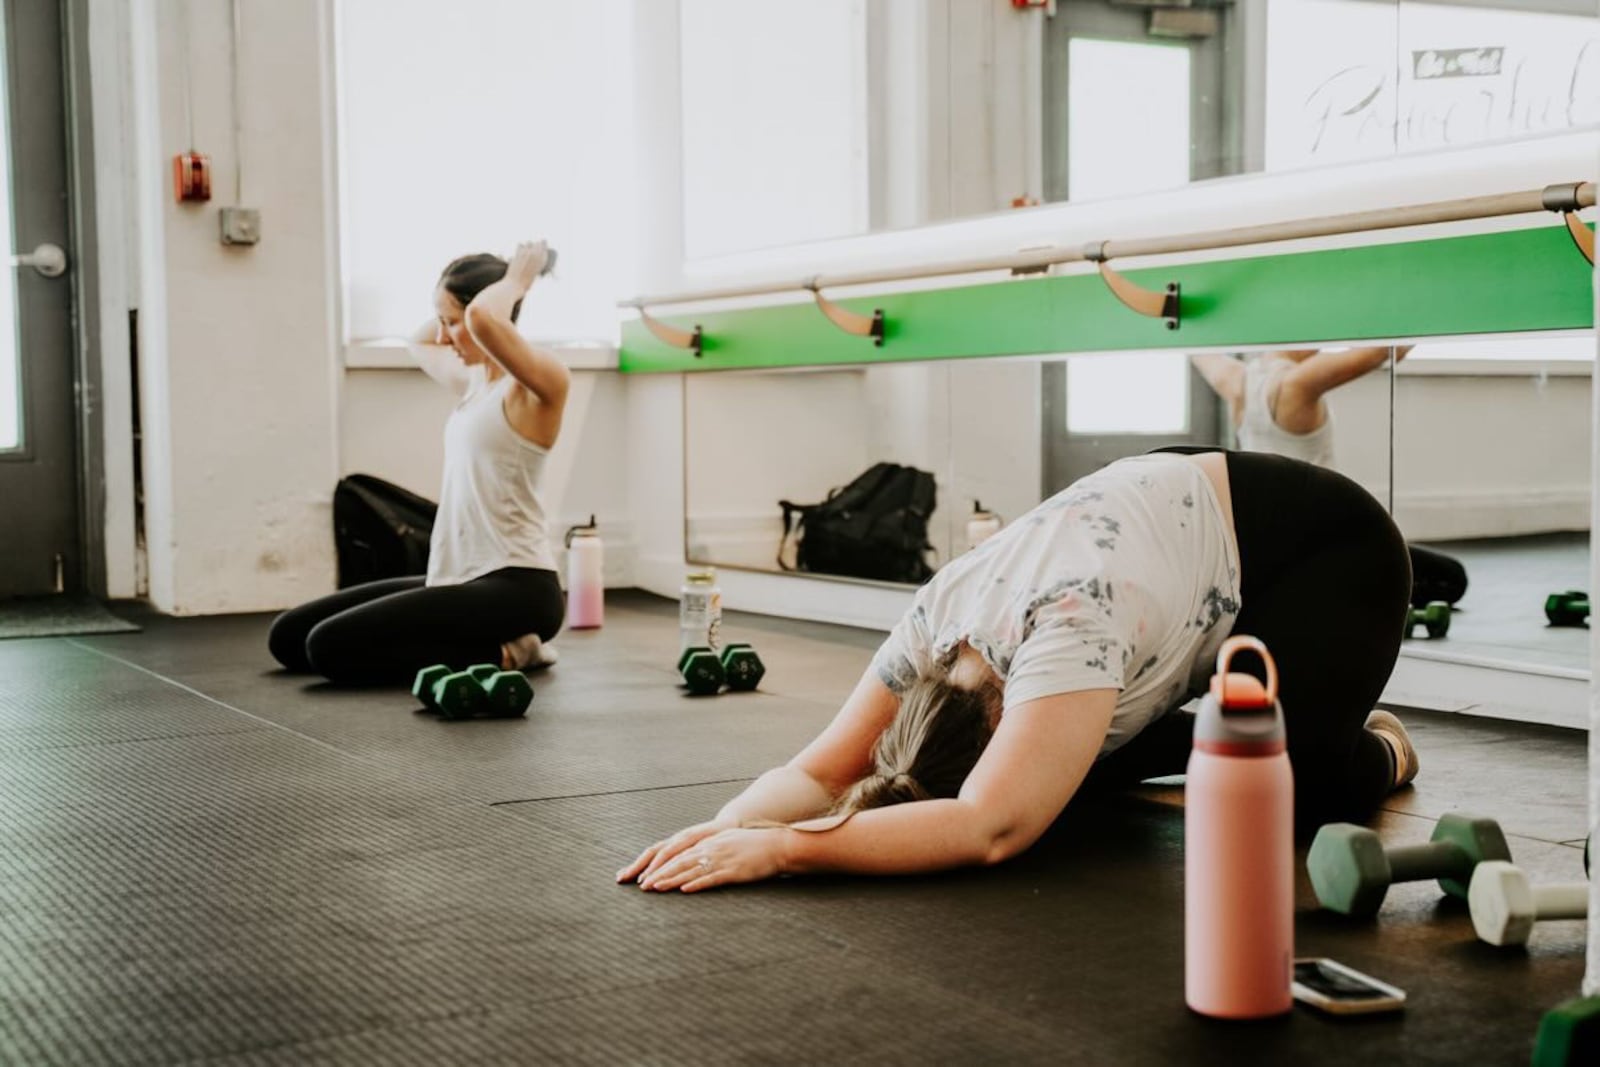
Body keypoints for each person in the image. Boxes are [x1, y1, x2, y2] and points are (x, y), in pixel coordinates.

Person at [618, 449, 1417, 893]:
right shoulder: (931, 632)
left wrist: (786, 849)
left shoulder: (1068, 629)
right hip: (1171, 531)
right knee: (1066, 780)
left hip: (1327, 549)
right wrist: (726, 827)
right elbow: (819, 767)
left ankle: (1382, 746)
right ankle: (1194, 730)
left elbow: (989, 826)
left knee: (1284, 801)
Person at [269, 242, 568, 684]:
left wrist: (516, 281)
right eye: (443, 320)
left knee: (328, 649)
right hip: (459, 578)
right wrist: (459, 300)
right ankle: (497, 646)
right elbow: (421, 339)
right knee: (289, 637)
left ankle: (509, 651)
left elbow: (485, 319)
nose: (443, 336)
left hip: (518, 586)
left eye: (453, 322)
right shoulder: (474, 382)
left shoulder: (538, 387)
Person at [1192, 346, 1466, 608]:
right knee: (1453, 577)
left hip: (1271, 543)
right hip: (1324, 542)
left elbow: (1200, 352)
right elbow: (1390, 349)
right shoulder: (1298, 383)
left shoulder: (1238, 380)